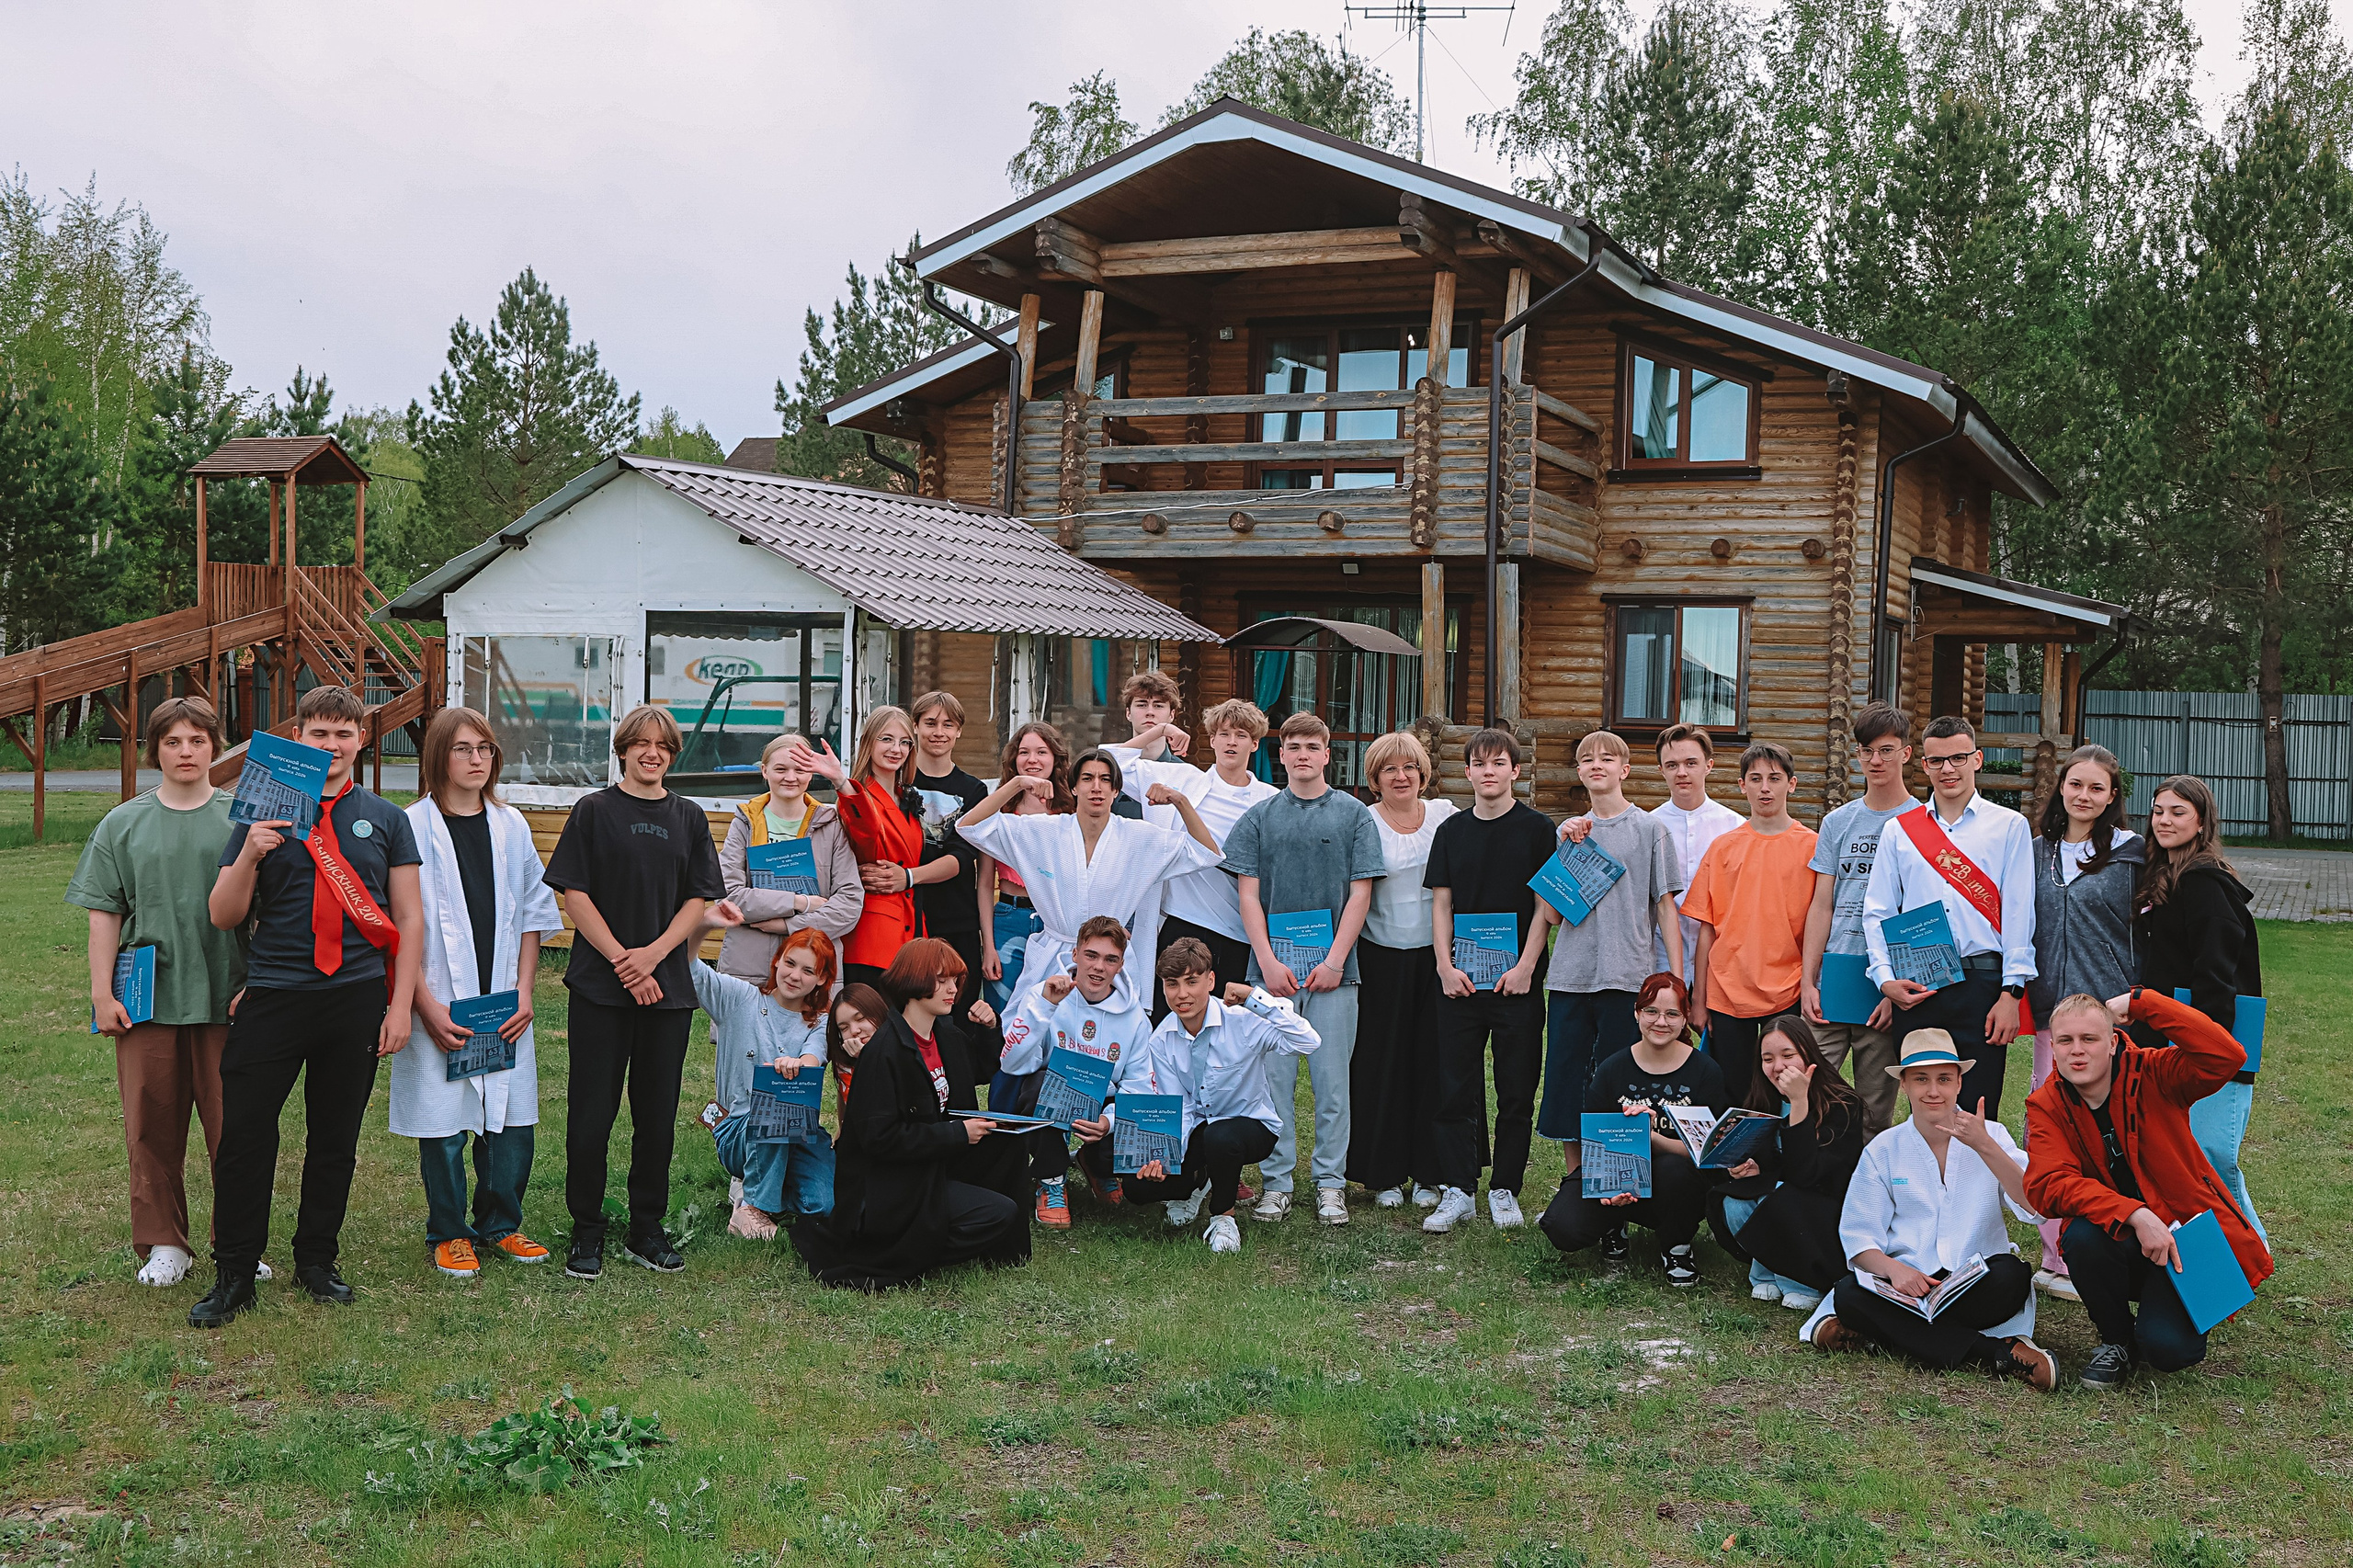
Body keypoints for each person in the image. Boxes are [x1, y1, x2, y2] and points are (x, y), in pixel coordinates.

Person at [191, 685, 424, 1328]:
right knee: (245, 1138)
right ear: (298, 740)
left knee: (335, 1139)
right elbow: (223, 914)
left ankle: (317, 1260)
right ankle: (235, 1273)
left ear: (362, 741)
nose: (333, 744)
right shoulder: (261, 814)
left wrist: (400, 1005)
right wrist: (251, 852)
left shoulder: (387, 818)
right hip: (275, 995)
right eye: (319, 733)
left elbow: (409, 918)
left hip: (353, 999)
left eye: (344, 734)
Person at [67, 697, 248, 1290]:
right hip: (148, 1003)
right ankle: (165, 1243)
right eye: (173, 742)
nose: (186, 752)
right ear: (155, 751)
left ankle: (237, 1241)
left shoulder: (243, 820)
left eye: (198, 740)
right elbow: (104, 913)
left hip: (228, 998)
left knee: (236, 1130)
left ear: (215, 747)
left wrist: (260, 986)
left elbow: (272, 911)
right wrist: (102, 995)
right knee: (151, 1127)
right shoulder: (122, 825)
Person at [542, 703, 724, 1281]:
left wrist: (652, 957)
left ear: (673, 755)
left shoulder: (689, 817)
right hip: (600, 987)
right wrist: (625, 960)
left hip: (666, 991)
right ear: (622, 749)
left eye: (663, 746)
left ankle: (647, 1227)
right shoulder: (593, 811)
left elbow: (698, 900)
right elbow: (574, 894)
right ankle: (587, 1228)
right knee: (591, 1113)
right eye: (642, 743)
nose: (652, 754)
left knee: (656, 1114)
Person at [391, 706, 566, 1279]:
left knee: (510, 1118)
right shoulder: (410, 826)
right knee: (444, 1120)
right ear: (437, 756)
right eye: (463, 749)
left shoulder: (511, 826)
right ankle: (449, 1231)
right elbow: (397, 926)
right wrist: (424, 1006)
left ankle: (501, 1224)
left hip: (503, 998)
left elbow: (533, 914)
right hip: (440, 996)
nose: (476, 759)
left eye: (485, 748)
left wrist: (524, 992)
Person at [2027, 989, 2273, 1389]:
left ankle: (2165, 1313)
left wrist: (2144, 1003)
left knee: (2168, 1351)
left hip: (2186, 1240)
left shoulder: (2154, 1071)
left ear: (2112, 1042)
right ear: (2052, 1047)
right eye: (2065, 1041)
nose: (2077, 1051)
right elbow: (2047, 1184)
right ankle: (2117, 1340)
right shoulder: (2047, 1104)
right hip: (2121, 1240)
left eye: (2089, 1039)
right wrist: (2135, 1214)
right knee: (2081, 1236)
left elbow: (2226, 1056)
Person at [1801, 1029, 2058, 1391]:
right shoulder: (1884, 1148)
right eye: (1921, 1079)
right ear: (1904, 1085)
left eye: (1944, 1079)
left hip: (1974, 1282)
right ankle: (1993, 1353)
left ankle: (1885, 1334)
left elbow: (2035, 1207)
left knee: (2012, 1275)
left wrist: (1985, 1147)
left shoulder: (1992, 1135)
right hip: (1905, 1287)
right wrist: (1895, 1270)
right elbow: (1858, 1238)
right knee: (1849, 1293)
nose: (1933, 1091)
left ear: (1959, 1083)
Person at [789, 940, 1029, 1290]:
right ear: (914, 981)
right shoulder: (883, 1053)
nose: (952, 988)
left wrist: (990, 1030)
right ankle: (912, 1250)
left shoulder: (944, 1033)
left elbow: (979, 1069)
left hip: (932, 1159)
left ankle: (1005, 1253)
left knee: (1009, 1143)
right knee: (998, 1213)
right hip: (894, 1183)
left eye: (955, 980)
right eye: (941, 980)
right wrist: (958, 1134)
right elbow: (881, 1140)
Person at [1223, 712, 1386, 1226]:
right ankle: (1276, 1183)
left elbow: (1361, 894)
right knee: (1273, 1086)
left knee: (1332, 1085)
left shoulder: (1354, 816)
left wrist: (1335, 960)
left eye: (1312, 747)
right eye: (1293, 746)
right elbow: (1248, 896)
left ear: (1327, 754)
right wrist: (1267, 963)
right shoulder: (1259, 818)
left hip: (1335, 973)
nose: (1302, 755)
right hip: (1271, 976)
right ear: (1281, 754)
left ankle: (1330, 1184)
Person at [958, 747, 1224, 1012]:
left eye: (1105, 779)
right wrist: (1016, 784)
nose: (1096, 787)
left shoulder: (1139, 837)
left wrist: (1180, 801)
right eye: (1087, 778)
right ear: (1074, 787)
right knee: (1038, 1030)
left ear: (1116, 790)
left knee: (1108, 1034)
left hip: (1107, 965)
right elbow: (969, 826)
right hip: (1054, 957)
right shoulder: (1044, 831)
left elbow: (1206, 853)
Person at [1860, 715, 2035, 1117]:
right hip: (1919, 986)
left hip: (1983, 985)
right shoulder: (1899, 831)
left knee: (1978, 1107)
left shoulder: (2009, 826)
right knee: (1926, 1109)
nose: (1948, 769)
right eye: (1937, 761)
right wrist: (1885, 979)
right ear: (1924, 765)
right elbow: (1878, 912)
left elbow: (2019, 913)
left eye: (1958, 758)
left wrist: (2011, 993)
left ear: (1977, 759)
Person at [1420, 728, 1557, 1234]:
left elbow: (1546, 906)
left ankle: (1505, 1188)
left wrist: (1525, 967)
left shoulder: (1538, 829)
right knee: (1453, 1088)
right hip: (1460, 981)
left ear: (1515, 771)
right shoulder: (1451, 831)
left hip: (1516, 984)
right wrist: (1443, 965)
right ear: (1468, 773)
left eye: (1499, 763)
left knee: (1517, 1090)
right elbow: (1442, 903)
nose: (1489, 772)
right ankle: (1459, 1189)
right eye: (1479, 764)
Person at [2021, 745, 2145, 1301]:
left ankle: (2117, 1242)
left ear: (2112, 796)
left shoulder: (2132, 854)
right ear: (2061, 787)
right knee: (2051, 1127)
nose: (2084, 796)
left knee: (2110, 1128)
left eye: (2097, 788)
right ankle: (2057, 1254)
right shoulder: (2035, 851)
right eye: (2076, 784)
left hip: (2110, 1014)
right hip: (2053, 1014)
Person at [1538, 731, 1685, 1194]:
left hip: (1627, 977)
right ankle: (1574, 1186)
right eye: (1586, 759)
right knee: (1567, 1082)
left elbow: (1665, 907)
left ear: (1625, 769)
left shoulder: (1650, 830)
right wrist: (1566, 850)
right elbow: (1553, 914)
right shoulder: (1570, 833)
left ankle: (1615, 1185)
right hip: (1571, 977)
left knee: (1620, 1085)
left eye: (1606, 758)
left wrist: (1676, 979)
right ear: (1579, 772)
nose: (1596, 764)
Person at [1115, 937, 1322, 1253]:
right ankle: (1197, 1183)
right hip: (1201, 1130)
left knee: (1221, 1136)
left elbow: (1308, 1042)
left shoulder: (1243, 1020)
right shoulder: (1162, 1039)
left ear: (1210, 980)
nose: (1182, 994)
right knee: (1137, 1187)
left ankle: (1223, 1217)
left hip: (1252, 1127)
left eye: (1191, 982)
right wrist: (1167, 1158)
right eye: (1172, 984)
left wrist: (1255, 998)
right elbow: (1180, 1108)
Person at [2134, 776, 2265, 1243]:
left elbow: (2217, 976)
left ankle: (2252, 1249)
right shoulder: (2166, 875)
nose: (2164, 821)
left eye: (2178, 812)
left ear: (2202, 821)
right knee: (2188, 1156)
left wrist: (2205, 1047)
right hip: (2173, 1037)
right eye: (2158, 811)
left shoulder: (2204, 882)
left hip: (2211, 1043)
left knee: (2212, 1156)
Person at [1537, 971, 1727, 1285]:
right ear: (1637, 1013)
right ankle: (1613, 1223)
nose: (1661, 1022)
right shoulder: (1612, 1068)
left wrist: (1648, 1136)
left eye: (1672, 1014)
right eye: (1651, 1011)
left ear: (1685, 1018)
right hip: (1615, 1170)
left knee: (1677, 1172)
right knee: (1562, 1226)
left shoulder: (1705, 1071)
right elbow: (1595, 1140)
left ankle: (1676, 1246)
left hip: (1675, 1180)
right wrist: (1608, 1189)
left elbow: (1705, 1153)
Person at [1108, 699, 1279, 1015]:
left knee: (1228, 1025)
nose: (1231, 742)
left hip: (1238, 932)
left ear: (1255, 744)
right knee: (1169, 1020)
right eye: (1223, 734)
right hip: (1182, 922)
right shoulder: (1183, 780)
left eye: (1241, 735)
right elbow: (1110, 762)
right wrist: (1160, 729)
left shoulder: (1270, 801)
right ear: (1212, 740)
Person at [1349, 729, 1458, 1210]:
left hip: (1438, 960)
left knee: (1435, 1065)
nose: (1400, 776)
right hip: (1381, 958)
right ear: (1375, 779)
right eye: (1389, 769)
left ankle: (1432, 1173)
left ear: (1422, 773)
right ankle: (1386, 1174)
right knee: (1382, 1066)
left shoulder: (1445, 815)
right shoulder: (1364, 821)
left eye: (1409, 767)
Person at [1800, 701, 1917, 1131]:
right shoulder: (1838, 822)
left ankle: (1870, 1177)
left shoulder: (1921, 821)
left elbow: (1919, 915)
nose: (1876, 760)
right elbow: (1822, 904)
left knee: (1874, 1114)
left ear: (1906, 753)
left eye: (1886, 750)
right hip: (1835, 978)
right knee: (1809, 1100)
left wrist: (1895, 990)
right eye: (1867, 751)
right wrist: (1808, 981)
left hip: (1885, 984)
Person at [996, 915, 1151, 1228]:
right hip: (1052, 1097)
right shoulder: (1044, 993)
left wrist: (1109, 1122)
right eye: (1091, 955)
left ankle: (1096, 1165)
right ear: (1075, 954)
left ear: (1121, 965)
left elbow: (1140, 1085)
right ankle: (1051, 1179)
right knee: (1042, 1085)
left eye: (1110, 959)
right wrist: (1045, 1008)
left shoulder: (1135, 1017)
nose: (1099, 967)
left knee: (1140, 1117)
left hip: (1103, 1103)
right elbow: (1011, 1064)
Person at [1680, 743, 1818, 1092]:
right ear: (1742, 785)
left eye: (1774, 778)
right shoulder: (1723, 848)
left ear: (1792, 784)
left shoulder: (1812, 847)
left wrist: (1811, 985)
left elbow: (1819, 924)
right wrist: (1699, 999)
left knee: (1784, 1088)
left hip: (1788, 988)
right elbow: (1706, 929)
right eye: (1755, 779)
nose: (1765, 788)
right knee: (1733, 1089)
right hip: (1728, 990)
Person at [1709, 1014, 1869, 1312]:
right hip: (1783, 1193)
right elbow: (1774, 1166)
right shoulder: (1764, 1098)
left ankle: (1801, 1280)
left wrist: (1799, 1103)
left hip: (1824, 1205)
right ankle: (1767, 1271)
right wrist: (1751, 1168)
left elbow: (1807, 1175)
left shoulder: (1843, 1104)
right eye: (1767, 1059)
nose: (1778, 1066)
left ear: (1808, 1055)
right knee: (1735, 1202)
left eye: (1787, 1055)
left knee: (1780, 1199)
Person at [691, 917, 838, 1240]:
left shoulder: (820, 1023)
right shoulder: (740, 999)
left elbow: (814, 1057)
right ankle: (752, 1209)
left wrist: (798, 1065)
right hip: (739, 1129)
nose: (794, 976)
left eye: (808, 971)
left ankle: (756, 1185)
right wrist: (703, 925)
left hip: (798, 1132)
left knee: (821, 1206)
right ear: (777, 961)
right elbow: (690, 968)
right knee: (776, 1109)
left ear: (822, 979)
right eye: (790, 963)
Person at [715, 733, 863, 988]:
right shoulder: (744, 824)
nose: (791, 777)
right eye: (781, 769)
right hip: (748, 967)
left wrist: (788, 925)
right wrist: (800, 902)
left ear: (811, 773)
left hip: (812, 971)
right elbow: (728, 896)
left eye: (800, 769)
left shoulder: (831, 825)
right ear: (764, 771)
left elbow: (849, 904)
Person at [796, 709, 926, 991]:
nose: (896, 749)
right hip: (873, 936)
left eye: (905, 742)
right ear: (868, 742)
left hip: (912, 928)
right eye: (887, 739)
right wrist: (840, 781)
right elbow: (868, 833)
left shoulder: (905, 796)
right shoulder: (857, 795)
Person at [976, 722, 1074, 1013]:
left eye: (1041, 752)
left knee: (1051, 1010)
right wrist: (988, 945)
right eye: (1024, 752)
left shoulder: (1070, 810)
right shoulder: (999, 810)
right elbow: (984, 884)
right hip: (1008, 919)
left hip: (1055, 922)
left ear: (1055, 758)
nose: (1032, 760)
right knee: (1002, 1010)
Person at [907, 691, 992, 1018]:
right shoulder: (900, 782)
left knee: (957, 1017)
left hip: (957, 920)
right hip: (908, 916)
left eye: (948, 724)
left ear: (959, 731)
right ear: (915, 726)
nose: (938, 732)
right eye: (930, 723)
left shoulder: (974, 790)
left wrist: (909, 876)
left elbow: (962, 857)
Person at [1646, 723, 1743, 989]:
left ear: (1708, 766)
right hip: (1660, 959)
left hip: (1721, 963)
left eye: (1691, 763)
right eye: (1672, 765)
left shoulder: (1734, 826)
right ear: (1661, 770)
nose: (1682, 772)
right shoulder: (1648, 826)